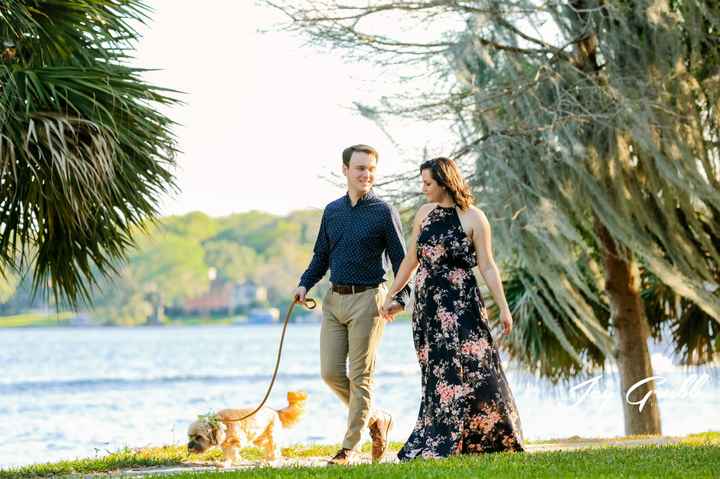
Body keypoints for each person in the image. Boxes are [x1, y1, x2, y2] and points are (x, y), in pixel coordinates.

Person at [381, 157, 524, 459]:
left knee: (478, 367)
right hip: (428, 307)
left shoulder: (474, 217)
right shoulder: (424, 213)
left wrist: (504, 308)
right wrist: (392, 294)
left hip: (463, 305)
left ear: (445, 183)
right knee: (437, 371)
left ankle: (488, 436)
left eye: (428, 183)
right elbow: (410, 260)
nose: (423, 189)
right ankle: (440, 438)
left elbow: (487, 265)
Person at [292, 144, 409, 465]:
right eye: (359, 168)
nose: (366, 174)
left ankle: (348, 448)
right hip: (334, 300)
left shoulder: (384, 212)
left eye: (371, 168)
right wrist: (305, 283)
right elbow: (321, 256)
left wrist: (402, 297)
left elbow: (403, 262)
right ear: (345, 170)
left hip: (370, 300)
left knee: (361, 377)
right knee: (330, 373)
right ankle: (376, 418)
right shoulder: (332, 211)